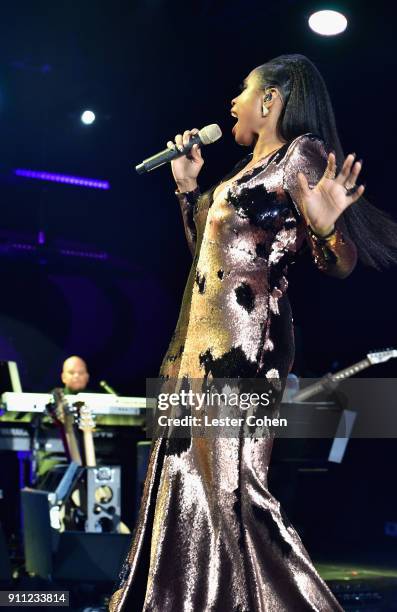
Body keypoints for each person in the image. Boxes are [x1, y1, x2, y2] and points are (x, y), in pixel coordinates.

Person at [109, 54, 397, 611]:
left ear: (272, 100)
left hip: (245, 351)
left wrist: (327, 229)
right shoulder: (241, 170)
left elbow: (340, 263)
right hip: (197, 348)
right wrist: (188, 190)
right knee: (184, 486)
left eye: (242, 92)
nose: (232, 104)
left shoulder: (300, 155)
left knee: (234, 493)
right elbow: (210, 261)